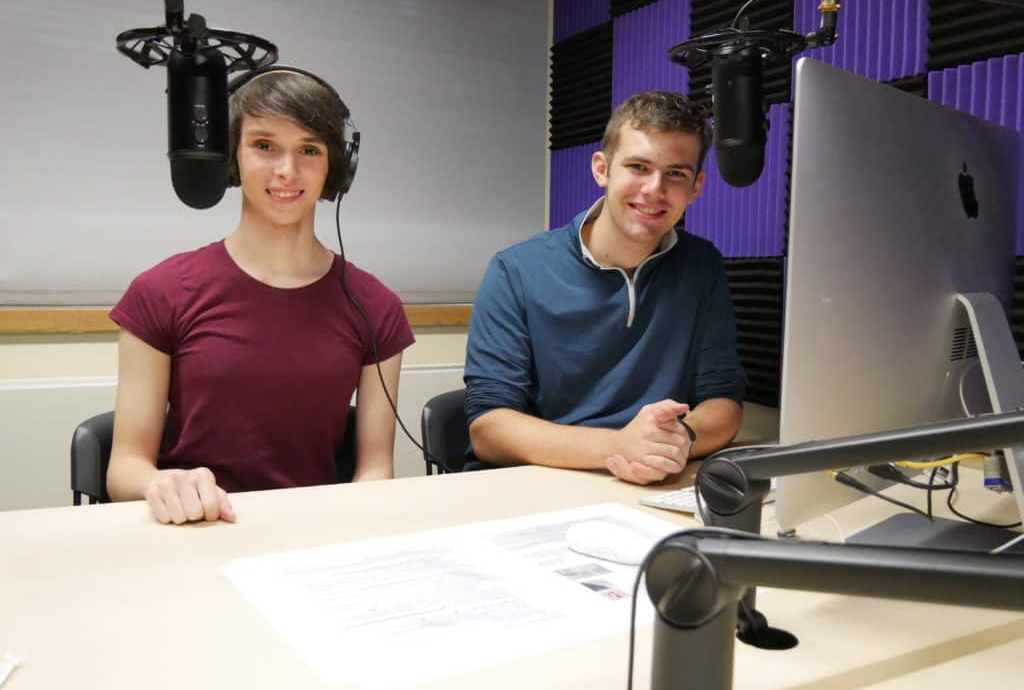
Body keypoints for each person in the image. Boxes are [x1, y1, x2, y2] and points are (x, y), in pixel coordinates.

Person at [107, 68, 414, 523]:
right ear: (231, 158)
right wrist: (160, 483)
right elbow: (124, 466)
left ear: (337, 166)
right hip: (194, 529)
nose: (287, 171)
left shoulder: (375, 307)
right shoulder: (161, 292)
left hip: (311, 535)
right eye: (264, 146)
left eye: (309, 149)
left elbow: (374, 470)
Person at [463, 90, 744, 484]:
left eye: (676, 174)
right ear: (602, 169)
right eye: (638, 166)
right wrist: (618, 447)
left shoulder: (702, 267)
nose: (654, 189)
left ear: (696, 187)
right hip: (538, 482)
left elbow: (723, 401)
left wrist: (678, 439)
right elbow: (488, 428)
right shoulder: (515, 270)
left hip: (656, 481)